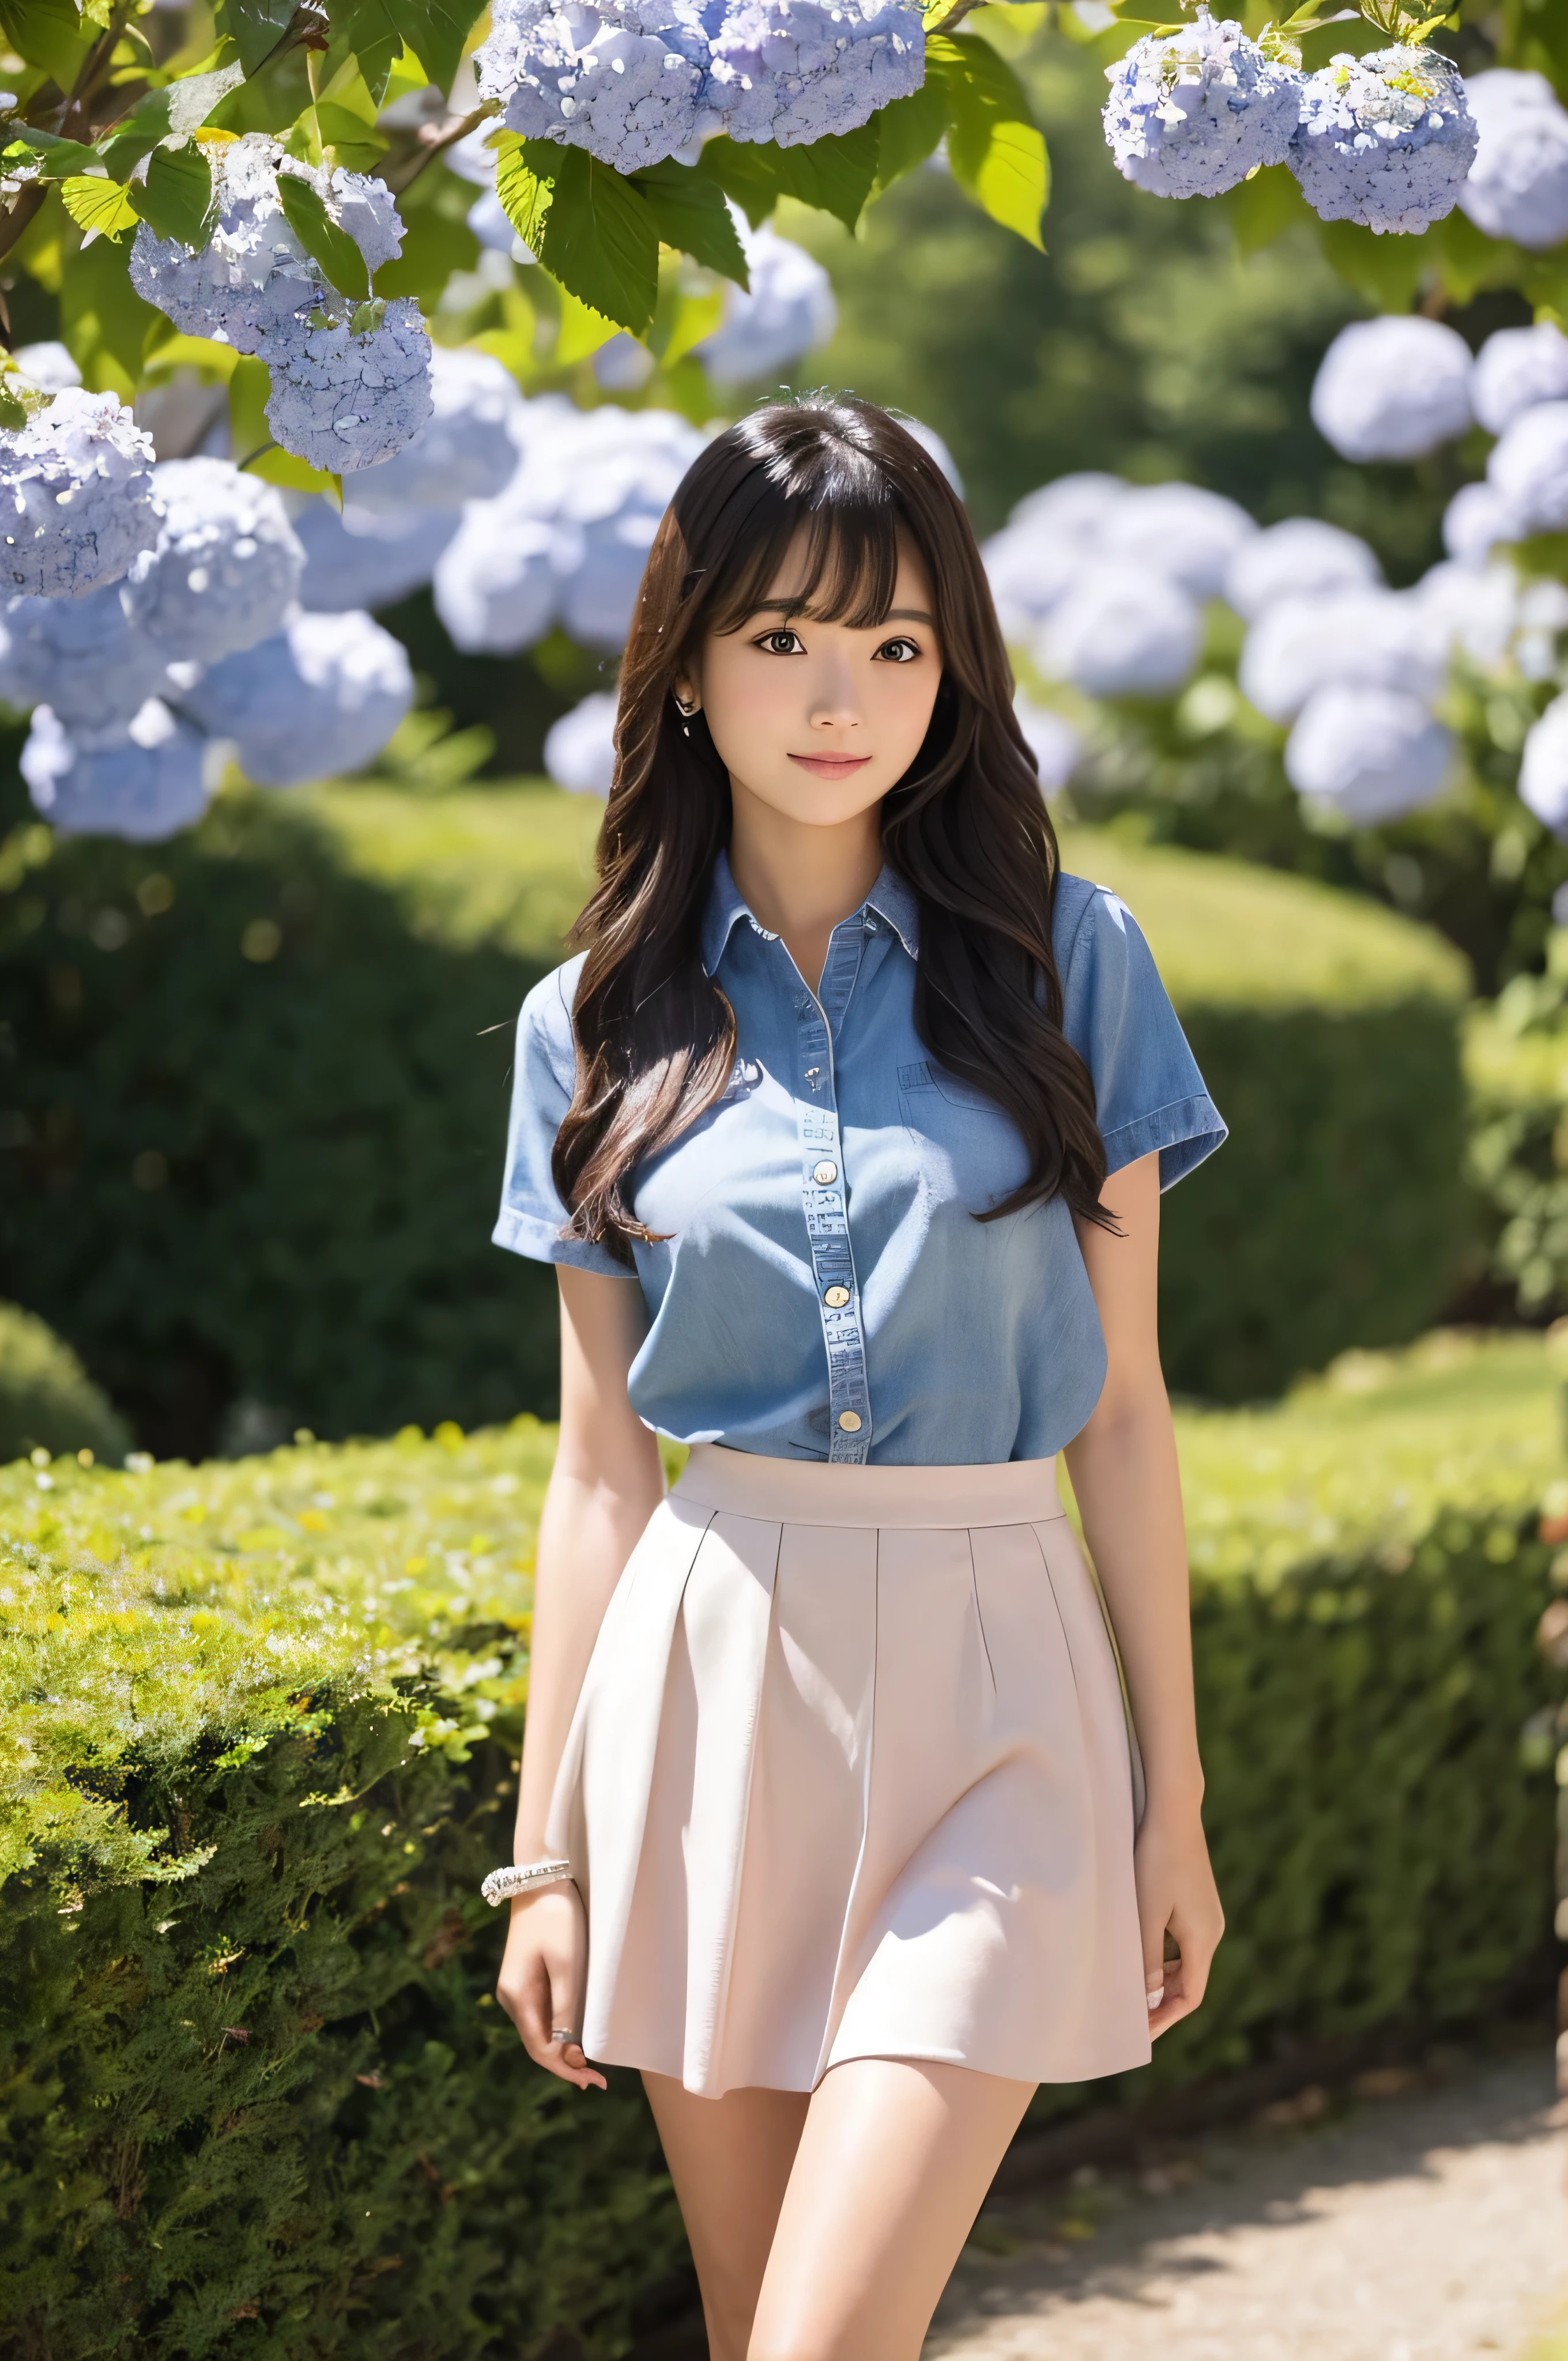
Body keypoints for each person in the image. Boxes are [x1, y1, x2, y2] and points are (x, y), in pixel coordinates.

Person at [488, 395, 1227, 2361]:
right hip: (712, 1691)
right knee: (765, 2339)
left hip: (1003, 1700)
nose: (845, 697)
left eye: (897, 646)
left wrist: (1179, 1802)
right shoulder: (591, 1025)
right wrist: (543, 1853)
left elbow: (1127, 1416)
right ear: (689, 668)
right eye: (787, 640)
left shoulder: (1074, 965)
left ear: (954, 675)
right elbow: (597, 1476)